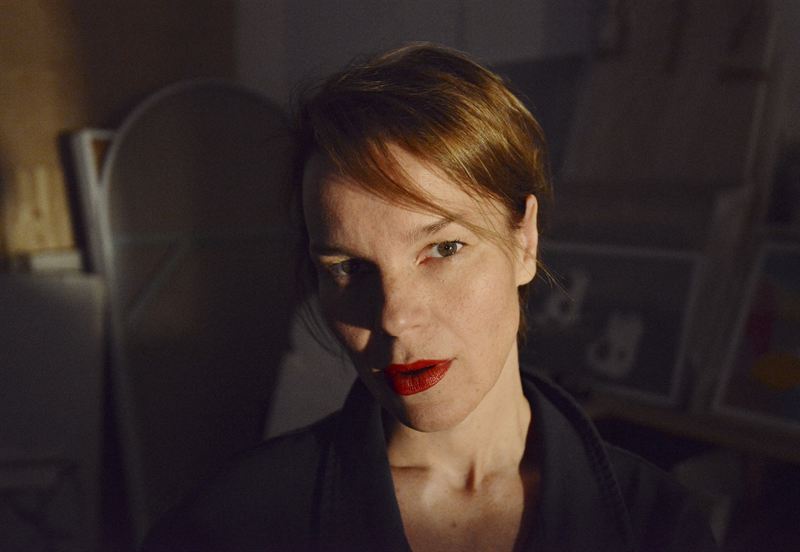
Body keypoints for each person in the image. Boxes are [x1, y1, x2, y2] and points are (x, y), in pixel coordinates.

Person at [143, 43, 717, 551]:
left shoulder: (659, 526)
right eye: (348, 268)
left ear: (525, 241)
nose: (394, 317)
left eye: (444, 249)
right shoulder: (230, 528)